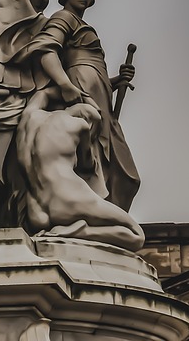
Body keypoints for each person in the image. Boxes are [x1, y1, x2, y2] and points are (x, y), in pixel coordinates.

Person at [19, 0, 139, 211]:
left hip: (98, 95)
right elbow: (46, 51)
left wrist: (116, 80)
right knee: (99, 164)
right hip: (81, 92)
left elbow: (94, 73)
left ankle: (107, 217)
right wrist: (65, 85)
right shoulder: (63, 17)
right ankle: (93, 212)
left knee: (124, 175)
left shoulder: (80, 22)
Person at [16, 87, 144, 251]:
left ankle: (71, 229)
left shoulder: (31, 116)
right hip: (68, 199)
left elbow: (44, 93)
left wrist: (74, 91)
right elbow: (87, 164)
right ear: (89, 121)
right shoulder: (81, 125)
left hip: (35, 210)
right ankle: (79, 231)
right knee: (136, 235)